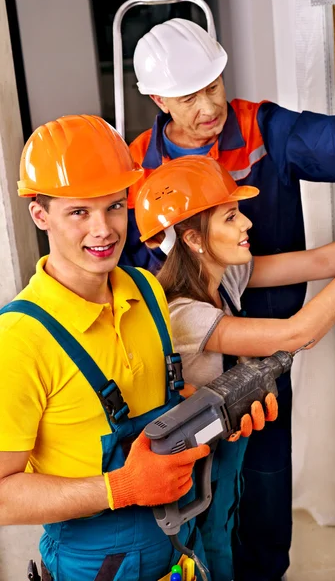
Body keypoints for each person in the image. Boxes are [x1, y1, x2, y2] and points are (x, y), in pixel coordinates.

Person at [121, 18, 335, 580]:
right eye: (189, 95)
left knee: (267, 487)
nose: (209, 106)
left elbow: (331, 155)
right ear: (157, 99)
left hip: (262, 365)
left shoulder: (257, 136)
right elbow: (135, 285)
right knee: (206, 510)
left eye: (214, 85)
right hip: (194, 374)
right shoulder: (140, 176)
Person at [133, 155, 335, 581]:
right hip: (189, 474)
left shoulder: (223, 278)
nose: (246, 224)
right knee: (208, 557)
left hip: (222, 454)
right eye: (230, 217)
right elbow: (297, 334)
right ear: (194, 240)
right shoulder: (183, 314)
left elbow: (317, 262)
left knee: (228, 541)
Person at [0, 115, 217, 581]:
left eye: (115, 207)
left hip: (179, 539)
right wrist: (123, 486)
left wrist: (214, 414)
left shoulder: (145, 289)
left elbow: (161, 401)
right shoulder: (20, 338)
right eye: (79, 212)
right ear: (41, 216)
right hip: (94, 562)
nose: (104, 230)